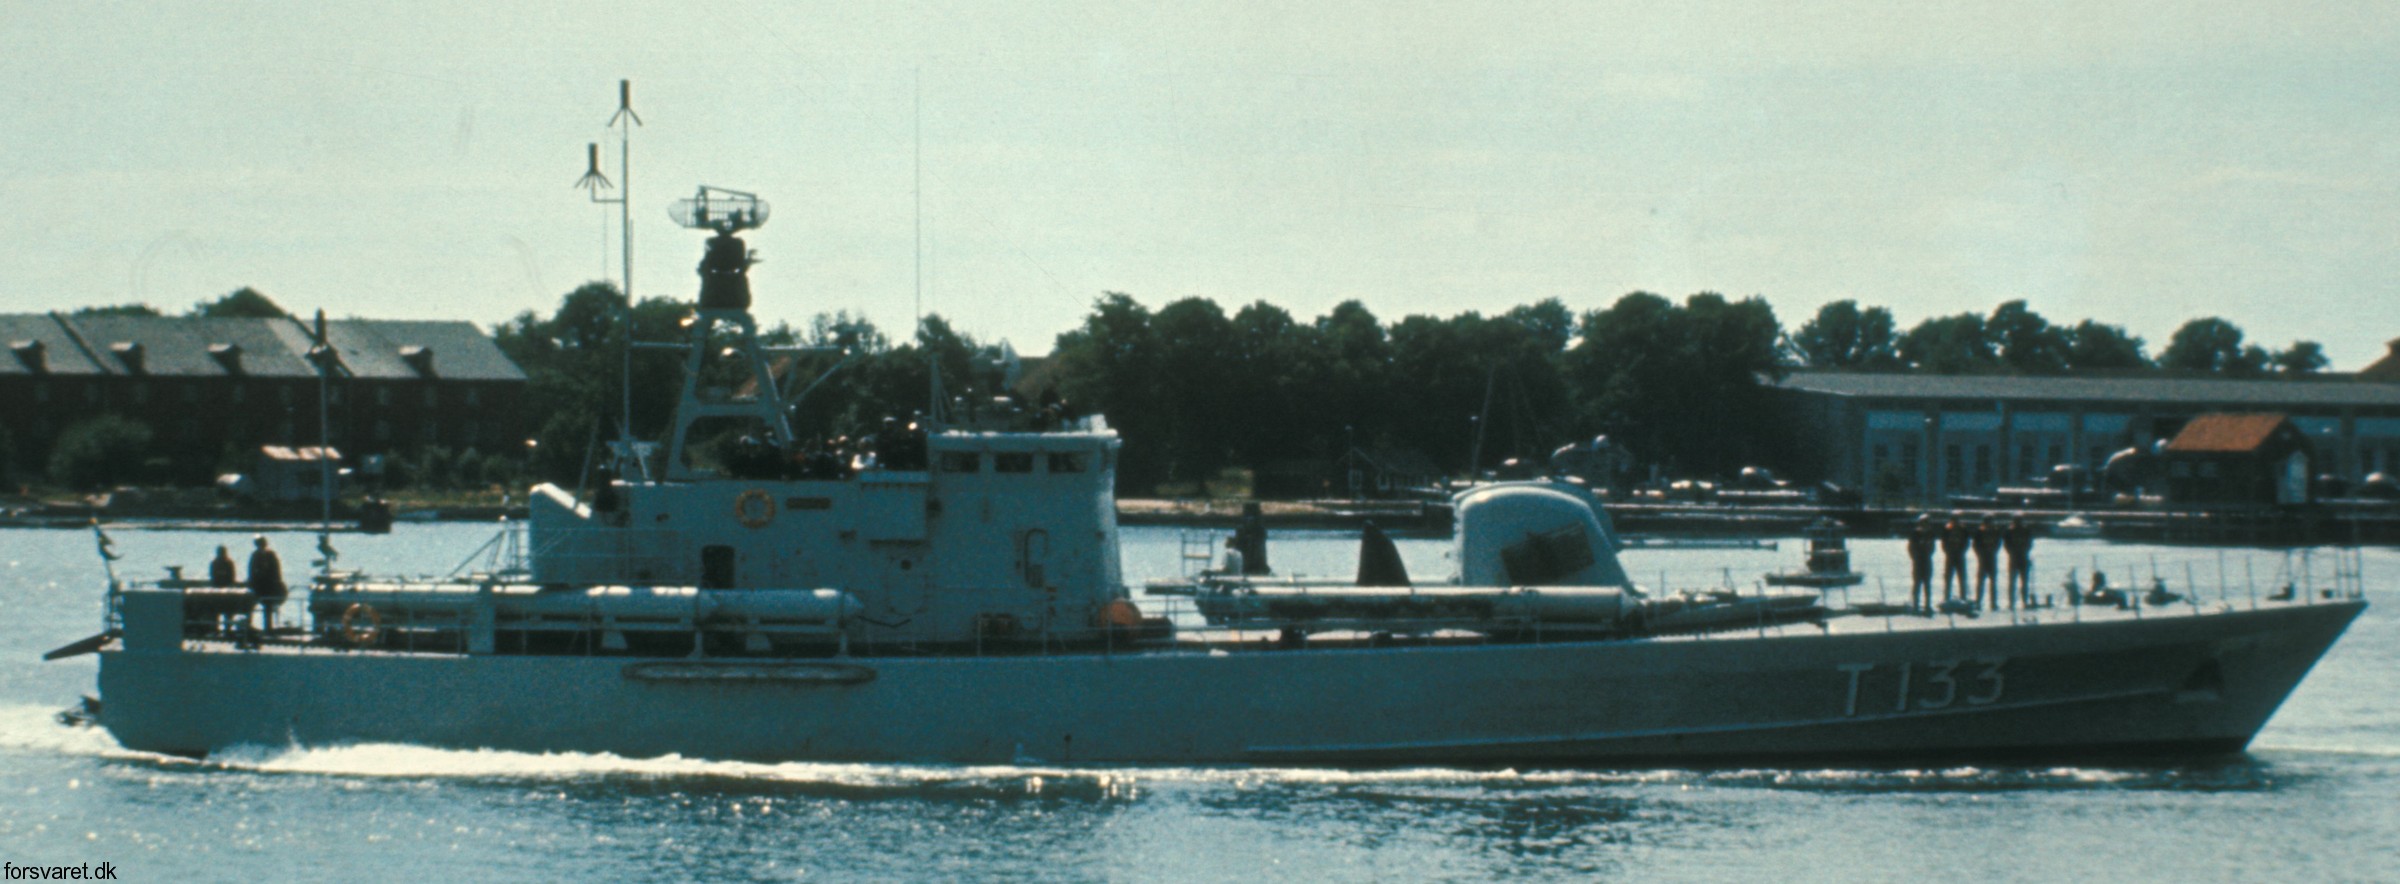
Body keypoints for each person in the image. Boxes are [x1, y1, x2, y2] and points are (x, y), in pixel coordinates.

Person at [247, 536, 286, 630]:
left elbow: (276, 571)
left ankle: (268, 628)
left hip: (268, 586)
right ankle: (249, 625)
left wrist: (276, 584)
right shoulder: (255, 555)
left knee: (267, 606)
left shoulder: (270, 555)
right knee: (250, 604)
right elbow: (251, 571)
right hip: (259, 586)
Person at [1905, 515, 1936, 611]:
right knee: (1917, 583)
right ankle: (1916, 604)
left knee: (1927, 584)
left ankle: (1928, 604)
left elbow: (1932, 547)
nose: (1926, 525)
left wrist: (1928, 554)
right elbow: (1910, 548)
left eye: (1927, 523)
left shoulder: (1930, 534)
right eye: (1924, 523)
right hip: (1918, 561)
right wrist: (1915, 557)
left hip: (1927, 560)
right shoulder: (1915, 534)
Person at [2003, 515, 2035, 608]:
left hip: (2021, 558)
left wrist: (2022, 551)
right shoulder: (2009, 532)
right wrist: (2014, 552)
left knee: (2022, 582)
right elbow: (2007, 545)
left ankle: (2023, 601)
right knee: (2014, 582)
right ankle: (2013, 602)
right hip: (2015, 558)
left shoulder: (2026, 531)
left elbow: (2029, 544)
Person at [1971, 516, 2001, 610]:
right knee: (1980, 582)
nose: (1989, 524)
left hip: (1992, 558)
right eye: (1988, 522)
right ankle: (1978, 602)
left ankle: (1993, 603)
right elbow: (1975, 545)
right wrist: (1980, 555)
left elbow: (1998, 544)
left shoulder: (1995, 532)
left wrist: (1993, 551)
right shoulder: (1979, 532)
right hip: (1983, 559)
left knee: (1993, 582)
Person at [1939, 514, 1970, 604]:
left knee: (1962, 577)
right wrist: (1948, 552)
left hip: (1960, 555)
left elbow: (1966, 542)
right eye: (1953, 520)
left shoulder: (1963, 529)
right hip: (1950, 556)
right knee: (1948, 577)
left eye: (1956, 520)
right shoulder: (1947, 529)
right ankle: (1946, 596)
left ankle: (1963, 596)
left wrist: (1962, 551)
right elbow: (1943, 542)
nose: (1955, 522)